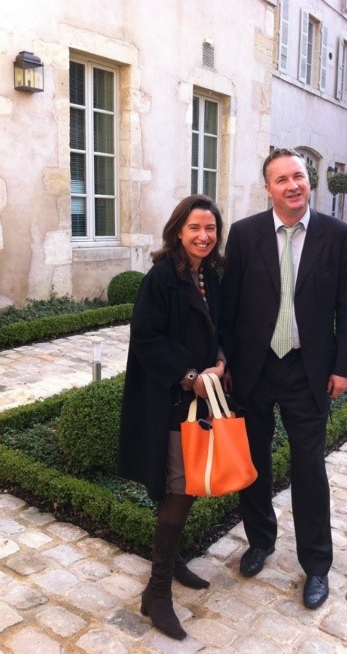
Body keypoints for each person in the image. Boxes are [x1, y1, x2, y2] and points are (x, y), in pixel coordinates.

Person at [220, 148, 347, 610]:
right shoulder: (243, 236)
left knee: (309, 468)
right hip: (254, 370)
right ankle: (260, 540)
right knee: (253, 463)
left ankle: (317, 565)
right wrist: (225, 361)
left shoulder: (338, 236)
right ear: (268, 188)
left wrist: (344, 366)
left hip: (308, 371)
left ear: (310, 180)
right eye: (281, 179)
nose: (292, 185)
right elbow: (230, 306)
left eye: (298, 176)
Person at [118, 194, 225, 641]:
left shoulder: (211, 276)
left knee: (193, 483)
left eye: (211, 229)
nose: (203, 236)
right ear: (178, 231)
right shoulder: (162, 277)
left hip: (204, 398)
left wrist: (221, 362)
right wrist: (188, 376)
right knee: (180, 488)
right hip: (173, 401)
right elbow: (145, 336)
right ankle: (157, 591)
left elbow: (223, 326)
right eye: (195, 228)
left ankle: (173, 560)